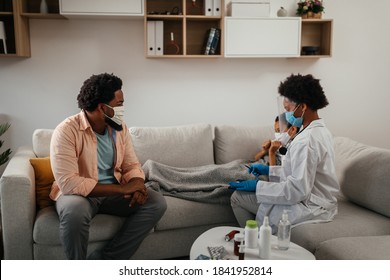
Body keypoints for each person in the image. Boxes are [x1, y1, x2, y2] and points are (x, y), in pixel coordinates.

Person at [49, 73, 167, 260]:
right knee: (74, 212)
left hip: (113, 194)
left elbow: (131, 164)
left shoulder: (118, 128)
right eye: (119, 103)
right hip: (80, 196)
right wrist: (122, 189)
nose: (123, 108)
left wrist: (136, 184)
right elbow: (68, 183)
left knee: (156, 202)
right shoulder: (66, 131)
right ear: (102, 107)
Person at [229, 74, 340, 233]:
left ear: (302, 107)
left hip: (311, 205)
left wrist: (258, 186)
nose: (286, 114)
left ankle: (252, 243)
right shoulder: (317, 131)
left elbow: (297, 190)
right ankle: (252, 241)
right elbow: (301, 172)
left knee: (238, 197)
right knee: (242, 197)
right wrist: (270, 170)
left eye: (288, 109)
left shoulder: (307, 141)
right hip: (311, 197)